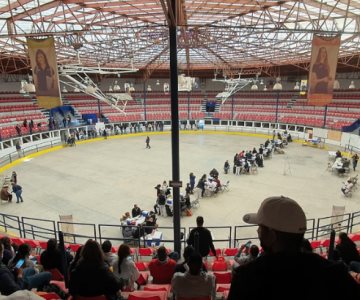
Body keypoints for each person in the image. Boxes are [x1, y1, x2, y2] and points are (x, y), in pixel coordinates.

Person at [228, 196, 360, 299]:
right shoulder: (335, 273)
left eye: (261, 228)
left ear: (272, 236)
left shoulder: (247, 278)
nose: (258, 231)